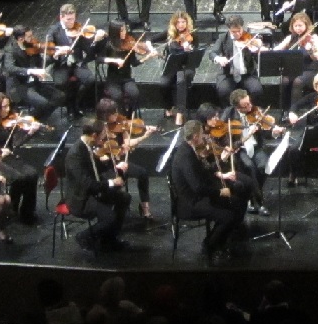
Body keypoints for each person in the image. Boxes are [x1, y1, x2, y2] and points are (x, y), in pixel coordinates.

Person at [169, 120, 249, 261]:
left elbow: (202, 171)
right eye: (201, 134)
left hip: (197, 196)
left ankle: (221, 241)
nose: (204, 136)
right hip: (190, 203)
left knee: (236, 203)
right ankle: (209, 245)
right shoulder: (185, 157)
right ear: (195, 137)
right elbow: (198, 187)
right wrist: (219, 192)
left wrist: (221, 162)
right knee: (228, 216)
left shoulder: (189, 149)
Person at [65, 121, 133, 252]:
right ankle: (84, 236)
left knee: (124, 198)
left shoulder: (88, 147)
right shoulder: (75, 155)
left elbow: (98, 167)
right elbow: (87, 184)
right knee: (109, 217)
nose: (104, 139)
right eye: (103, 135)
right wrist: (112, 182)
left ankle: (109, 239)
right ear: (94, 135)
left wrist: (116, 166)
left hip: (92, 191)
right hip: (81, 198)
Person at [0, 92, 42, 224]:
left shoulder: (10, 122)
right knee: (19, 178)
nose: (8, 110)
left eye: (8, 106)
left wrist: (30, 133)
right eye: (4, 107)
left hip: (9, 156)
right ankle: (11, 209)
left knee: (32, 174)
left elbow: (14, 144)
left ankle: (27, 212)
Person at [93, 97, 157, 221]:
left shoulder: (120, 124)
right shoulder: (97, 128)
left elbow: (128, 142)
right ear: (105, 115)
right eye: (113, 113)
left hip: (120, 162)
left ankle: (145, 208)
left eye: (116, 111)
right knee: (116, 183)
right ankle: (111, 212)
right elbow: (95, 152)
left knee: (142, 173)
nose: (117, 115)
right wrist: (104, 156)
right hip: (105, 166)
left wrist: (144, 136)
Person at [219, 89, 280, 215]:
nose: (250, 106)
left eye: (249, 102)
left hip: (255, 146)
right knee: (250, 167)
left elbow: (266, 130)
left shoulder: (256, 110)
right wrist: (245, 136)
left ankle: (251, 195)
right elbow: (226, 142)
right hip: (240, 149)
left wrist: (274, 131)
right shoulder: (228, 115)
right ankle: (259, 202)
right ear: (237, 108)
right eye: (245, 105)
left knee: (264, 167)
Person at [44, 3, 107, 117]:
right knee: (61, 82)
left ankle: (75, 102)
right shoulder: (54, 30)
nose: (71, 22)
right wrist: (58, 51)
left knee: (90, 79)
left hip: (77, 62)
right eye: (68, 19)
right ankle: (69, 105)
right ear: (61, 17)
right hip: (61, 64)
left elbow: (89, 51)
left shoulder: (79, 29)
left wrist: (95, 40)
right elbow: (49, 49)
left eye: (73, 19)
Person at [1, 26, 65, 123]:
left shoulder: (32, 46)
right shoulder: (10, 49)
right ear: (20, 39)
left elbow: (40, 63)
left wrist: (54, 57)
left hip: (34, 81)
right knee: (43, 103)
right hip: (19, 85)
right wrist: (31, 71)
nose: (32, 38)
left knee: (60, 96)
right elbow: (10, 68)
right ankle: (31, 121)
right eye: (29, 36)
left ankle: (37, 119)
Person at [273, 12, 318, 111]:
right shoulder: (291, 37)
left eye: (300, 25)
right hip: (295, 68)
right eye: (295, 26)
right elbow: (277, 49)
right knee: (284, 80)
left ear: (306, 25)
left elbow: (316, 57)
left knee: (298, 81)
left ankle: (293, 111)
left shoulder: (313, 38)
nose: (298, 28)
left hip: (311, 69)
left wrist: (310, 50)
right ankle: (284, 110)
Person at [210, 15, 266, 104]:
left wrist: (258, 46)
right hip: (228, 74)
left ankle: (250, 111)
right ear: (229, 29)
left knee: (257, 90)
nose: (237, 34)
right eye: (233, 32)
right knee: (223, 91)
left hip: (247, 74)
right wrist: (219, 58)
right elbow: (212, 53)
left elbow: (260, 46)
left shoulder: (249, 37)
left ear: (242, 27)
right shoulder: (223, 38)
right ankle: (230, 113)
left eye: (239, 30)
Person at [98, 18, 148, 114]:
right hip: (113, 80)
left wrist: (147, 57)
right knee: (117, 96)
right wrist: (114, 60)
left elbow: (134, 63)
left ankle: (129, 115)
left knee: (135, 94)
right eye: (121, 30)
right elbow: (99, 59)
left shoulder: (129, 44)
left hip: (126, 79)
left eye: (125, 29)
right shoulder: (108, 45)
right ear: (115, 32)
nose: (125, 32)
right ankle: (121, 116)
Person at [156, 11, 197, 125]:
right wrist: (151, 47)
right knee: (163, 83)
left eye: (183, 22)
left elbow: (195, 54)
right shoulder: (170, 34)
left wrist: (189, 49)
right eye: (178, 22)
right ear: (174, 24)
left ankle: (180, 113)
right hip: (172, 66)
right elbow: (152, 39)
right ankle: (169, 108)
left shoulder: (192, 35)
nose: (181, 25)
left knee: (181, 80)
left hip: (185, 67)